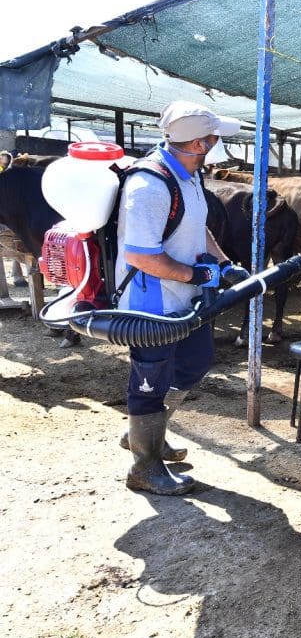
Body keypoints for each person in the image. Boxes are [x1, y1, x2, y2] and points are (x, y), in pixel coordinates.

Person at [116, 100, 250, 495]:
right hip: (152, 304)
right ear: (197, 144)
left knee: (195, 362)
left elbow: (197, 227)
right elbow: (141, 256)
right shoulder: (149, 186)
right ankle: (144, 468)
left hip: (186, 298)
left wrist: (223, 264)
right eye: (214, 137)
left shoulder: (189, 176)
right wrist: (197, 274)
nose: (218, 142)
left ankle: (147, 436)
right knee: (150, 381)